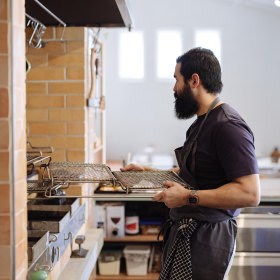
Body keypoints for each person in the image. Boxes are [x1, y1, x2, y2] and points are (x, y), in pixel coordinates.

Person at [121, 47, 260, 280]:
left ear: (194, 80)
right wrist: (150, 173)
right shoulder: (201, 122)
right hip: (192, 234)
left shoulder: (228, 126)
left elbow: (250, 193)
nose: (174, 88)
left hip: (210, 240)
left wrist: (187, 197)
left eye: (177, 79)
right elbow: (197, 173)